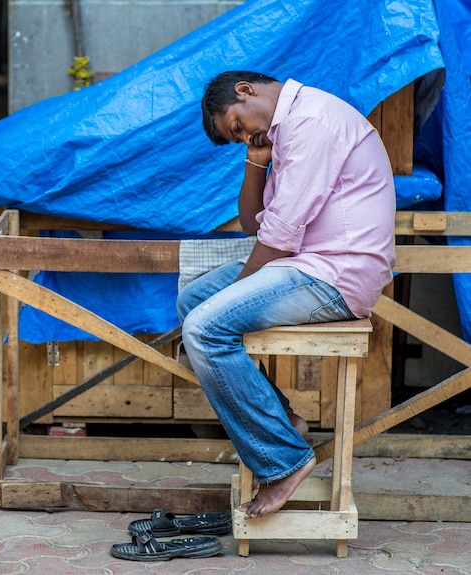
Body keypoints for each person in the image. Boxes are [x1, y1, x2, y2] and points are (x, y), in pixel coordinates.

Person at [177, 71, 395, 518]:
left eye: (237, 127)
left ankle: (283, 461)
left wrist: (237, 292)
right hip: (304, 264)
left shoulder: (312, 120)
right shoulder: (283, 129)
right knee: (192, 301)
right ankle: (284, 422)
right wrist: (256, 159)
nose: (243, 136)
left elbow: (279, 234)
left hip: (338, 272)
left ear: (245, 90)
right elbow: (253, 225)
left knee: (204, 327)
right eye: (236, 138)